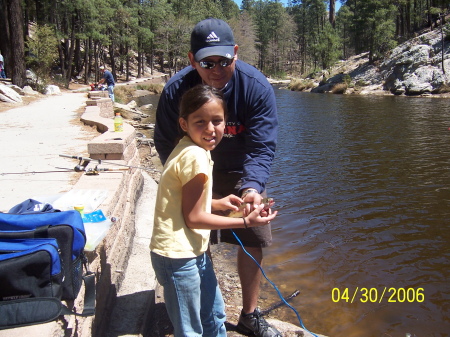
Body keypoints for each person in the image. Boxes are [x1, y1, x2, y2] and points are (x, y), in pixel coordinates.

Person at [154, 18, 280, 337]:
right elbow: (167, 145)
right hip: (196, 164)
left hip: (242, 169)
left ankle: (249, 315)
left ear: (236, 53)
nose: (216, 69)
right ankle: (199, 301)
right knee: (196, 233)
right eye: (207, 62)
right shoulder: (174, 93)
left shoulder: (256, 86)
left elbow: (262, 145)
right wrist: (186, 182)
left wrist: (253, 187)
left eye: (224, 60)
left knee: (256, 236)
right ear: (191, 59)